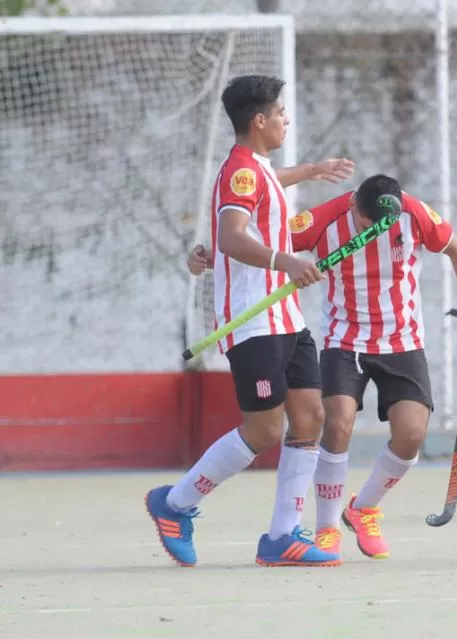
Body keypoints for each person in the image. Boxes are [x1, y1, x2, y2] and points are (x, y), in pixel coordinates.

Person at [188, 174, 457, 565]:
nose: (379, 233)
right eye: (368, 227)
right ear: (352, 208)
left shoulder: (413, 213)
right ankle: (328, 526)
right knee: (338, 422)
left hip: (402, 339)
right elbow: (268, 242)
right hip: (344, 338)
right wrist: (211, 254)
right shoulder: (324, 220)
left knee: (412, 433)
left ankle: (363, 508)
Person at [145, 74, 355, 568]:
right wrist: (288, 262)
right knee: (264, 432)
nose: (287, 119)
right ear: (258, 121)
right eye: (281, 113)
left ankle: (282, 537)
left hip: (287, 318)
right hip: (254, 320)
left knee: (311, 417)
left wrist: (310, 170)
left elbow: (265, 187)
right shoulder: (240, 171)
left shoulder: (255, 169)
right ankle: (174, 504)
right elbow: (234, 236)